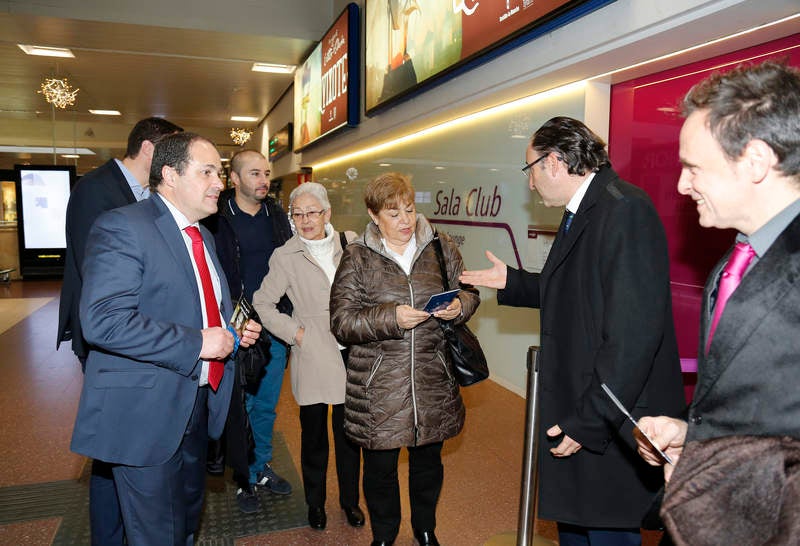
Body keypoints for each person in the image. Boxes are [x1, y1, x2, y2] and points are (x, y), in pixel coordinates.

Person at [460, 117, 685, 546]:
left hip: (608, 419)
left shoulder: (624, 210)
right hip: (582, 404)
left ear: (556, 162)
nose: (530, 185)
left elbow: (634, 337)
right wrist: (513, 281)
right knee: (578, 529)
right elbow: (577, 290)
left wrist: (589, 422)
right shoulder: (587, 210)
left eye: (530, 170)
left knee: (605, 532)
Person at [635, 62, 800, 546]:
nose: (683, 186)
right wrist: (693, 432)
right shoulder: (740, 255)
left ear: (754, 160)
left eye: (693, 167)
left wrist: (717, 468)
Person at [70, 132, 262, 546]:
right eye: (207, 171)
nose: (219, 182)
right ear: (170, 175)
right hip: (144, 415)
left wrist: (232, 330)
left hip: (194, 406)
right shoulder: (123, 226)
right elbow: (103, 320)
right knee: (156, 533)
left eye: (220, 172)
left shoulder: (203, 235)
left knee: (185, 522)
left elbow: (194, 309)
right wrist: (198, 343)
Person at [330, 172, 480, 546]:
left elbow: (469, 291)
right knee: (380, 469)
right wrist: (391, 317)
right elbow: (342, 321)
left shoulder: (440, 247)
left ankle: (425, 529)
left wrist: (459, 305)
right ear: (373, 214)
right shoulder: (358, 257)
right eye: (393, 213)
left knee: (428, 463)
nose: (405, 221)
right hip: (379, 383)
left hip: (432, 377)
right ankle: (384, 534)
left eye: (409, 210)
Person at [56, 116, 182, 546]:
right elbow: (100, 281)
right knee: (114, 445)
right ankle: (110, 536)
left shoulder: (142, 193)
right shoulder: (96, 191)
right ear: (148, 149)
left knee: (132, 439)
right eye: (169, 155)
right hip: (109, 335)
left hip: (143, 335)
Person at [252, 182, 364, 531]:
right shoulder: (285, 255)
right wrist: (296, 334)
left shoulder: (352, 244)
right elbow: (262, 303)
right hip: (313, 354)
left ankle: (350, 502)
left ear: (327, 213)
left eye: (312, 212)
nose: (305, 220)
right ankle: (315, 503)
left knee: (350, 437)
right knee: (314, 438)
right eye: (297, 214)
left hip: (353, 353)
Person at [204, 149, 294, 512]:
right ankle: (243, 479)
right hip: (236, 327)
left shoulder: (277, 216)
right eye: (254, 173)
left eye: (267, 173)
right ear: (235, 179)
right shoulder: (217, 217)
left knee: (266, 406)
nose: (263, 180)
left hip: (273, 324)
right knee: (239, 405)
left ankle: (259, 468)